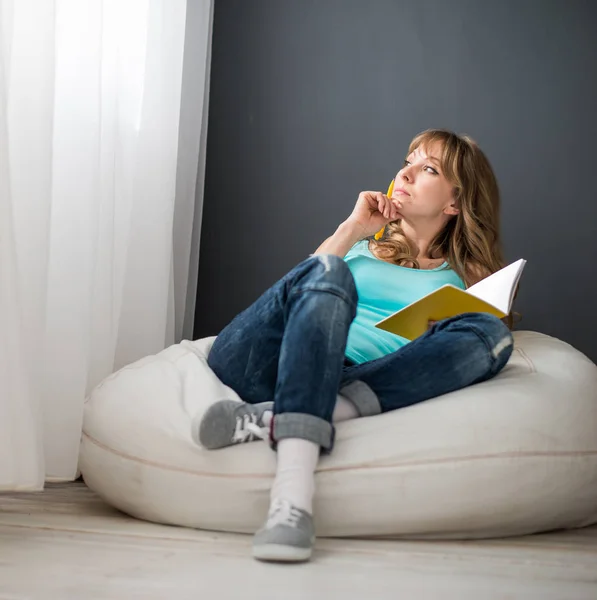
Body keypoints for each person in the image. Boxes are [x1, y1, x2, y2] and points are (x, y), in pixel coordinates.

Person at [193, 128, 515, 563]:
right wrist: (352, 229)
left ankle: (276, 419)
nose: (405, 172)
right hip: (264, 360)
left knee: (492, 336)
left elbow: (482, 334)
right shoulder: (361, 245)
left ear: (454, 203)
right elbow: (298, 287)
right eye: (408, 160)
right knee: (329, 273)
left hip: (353, 378)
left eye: (428, 169)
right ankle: (292, 498)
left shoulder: (464, 274)